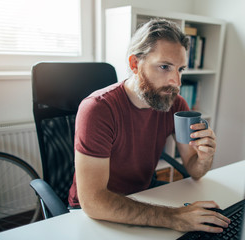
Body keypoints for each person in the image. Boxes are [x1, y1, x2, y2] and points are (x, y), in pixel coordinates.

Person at [68, 19, 230, 233]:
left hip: (143, 197)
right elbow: (93, 201)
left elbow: (194, 169)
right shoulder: (98, 109)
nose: (176, 82)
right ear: (135, 64)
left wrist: (205, 156)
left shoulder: (175, 103)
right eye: (164, 67)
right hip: (93, 213)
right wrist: (174, 218)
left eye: (180, 69)